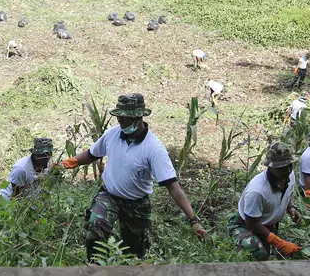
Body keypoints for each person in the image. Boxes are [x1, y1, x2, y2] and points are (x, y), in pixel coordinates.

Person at [60, 94, 208, 261]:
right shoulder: (112, 135)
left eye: (124, 117)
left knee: (133, 253)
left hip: (136, 203)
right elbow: (92, 154)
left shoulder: (153, 148)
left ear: (138, 117)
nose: (120, 121)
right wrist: (67, 163)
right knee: (96, 224)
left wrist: (193, 220)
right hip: (109, 195)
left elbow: (173, 187)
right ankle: (96, 267)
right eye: (118, 117)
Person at [229, 142, 302, 261]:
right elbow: (251, 223)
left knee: (271, 253)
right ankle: (240, 242)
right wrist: (279, 243)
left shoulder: (289, 175)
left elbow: (290, 192)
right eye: (281, 167)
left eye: (289, 165)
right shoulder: (258, 190)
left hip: (267, 224)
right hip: (246, 224)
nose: (286, 170)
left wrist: (291, 207)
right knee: (259, 253)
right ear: (271, 167)